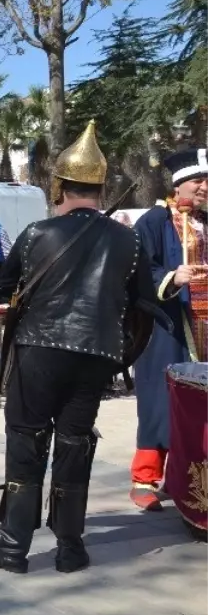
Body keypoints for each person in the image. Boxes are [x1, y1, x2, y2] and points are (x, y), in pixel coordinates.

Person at [0, 122, 162, 575]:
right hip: (96, 356)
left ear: (59, 185)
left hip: (39, 350)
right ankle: (71, 548)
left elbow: (8, 284)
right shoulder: (127, 240)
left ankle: (13, 549)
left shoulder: (37, 233)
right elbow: (143, 304)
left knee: (26, 442)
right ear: (100, 187)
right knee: (75, 444)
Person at [129, 149, 208, 511]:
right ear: (178, 186)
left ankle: (191, 474)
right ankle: (145, 477)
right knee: (161, 400)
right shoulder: (153, 222)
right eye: (199, 181)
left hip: (204, 324)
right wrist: (173, 277)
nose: (205, 187)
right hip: (167, 326)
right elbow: (140, 271)